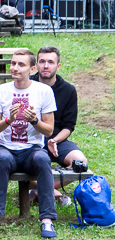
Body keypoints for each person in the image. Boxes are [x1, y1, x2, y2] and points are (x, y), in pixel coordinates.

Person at [0, 49, 57, 239]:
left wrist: (34, 121)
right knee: (3, 160)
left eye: (21, 64)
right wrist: (9, 119)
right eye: (13, 63)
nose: (14, 68)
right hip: (6, 148)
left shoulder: (44, 91)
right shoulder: (1, 91)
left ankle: (47, 220)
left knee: (43, 159)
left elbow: (48, 130)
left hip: (32, 150)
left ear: (32, 69)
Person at [31, 46, 88, 206]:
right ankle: (55, 194)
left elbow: (69, 126)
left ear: (58, 66)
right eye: (42, 61)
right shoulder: (27, 85)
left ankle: (38, 190)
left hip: (56, 140)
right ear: (36, 64)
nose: (46, 66)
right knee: (22, 165)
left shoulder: (68, 90)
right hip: (30, 139)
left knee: (80, 163)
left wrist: (55, 140)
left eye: (51, 62)